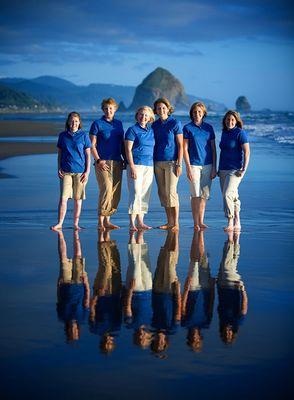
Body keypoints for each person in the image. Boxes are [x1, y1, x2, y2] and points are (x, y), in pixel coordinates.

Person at [51, 112, 91, 231]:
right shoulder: (62, 136)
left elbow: (88, 155)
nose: (74, 123)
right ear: (68, 122)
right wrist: (58, 168)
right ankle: (59, 223)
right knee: (63, 198)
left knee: (78, 199)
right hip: (65, 171)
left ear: (79, 123)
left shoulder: (84, 135)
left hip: (80, 172)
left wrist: (87, 172)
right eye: (72, 121)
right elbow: (60, 154)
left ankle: (75, 224)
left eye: (76, 121)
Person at [89, 98, 124, 231]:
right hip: (102, 162)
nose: (108, 111)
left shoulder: (119, 124)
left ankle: (108, 221)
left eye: (111, 108)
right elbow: (92, 145)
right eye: (106, 108)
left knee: (115, 192)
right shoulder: (97, 124)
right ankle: (100, 221)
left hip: (117, 161)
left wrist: (125, 159)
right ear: (103, 110)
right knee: (106, 189)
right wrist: (98, 160)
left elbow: (122, 144)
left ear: (115, 109)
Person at [183, 102, 217, 231]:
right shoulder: (187, 128)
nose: (197, 114)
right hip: (193, 165)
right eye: (195, 112)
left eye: (199, 112)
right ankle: (195, 222)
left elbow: (213, 149)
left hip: (208, 165)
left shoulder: (209, 128)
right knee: (195, 194)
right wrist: (187, 167)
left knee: (204, 195)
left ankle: (201, 221)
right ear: (191, 113)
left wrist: (214, 167)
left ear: (203, 113)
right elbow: (185, 149)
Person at [152, 97, 183, 232]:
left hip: (172, 162)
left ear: (168, 108)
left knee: (171, 192)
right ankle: (169, 222)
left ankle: (175, 223)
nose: (161, 110)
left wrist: (179, 163)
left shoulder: (175, 123)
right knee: (163, 193)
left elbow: (181, 145)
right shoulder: (154, 125)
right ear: (156, 110)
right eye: (159, 108)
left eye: (163, 107)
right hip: (157, 162)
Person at [218, 110, 250, 231]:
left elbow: (247, 152)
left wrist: (244, 169)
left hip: (235, 170)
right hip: (223, 169)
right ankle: (238, 220)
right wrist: (218, 169)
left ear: (236, 121)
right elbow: (223, 151)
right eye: (227, 119)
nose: (229, 122)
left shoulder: (240, 133)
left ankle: (230, 221)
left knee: (227, 195)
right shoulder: (224, 133)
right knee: (233, 196)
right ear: (224, 121)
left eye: (232, 120)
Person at [125, 106, 155, 231]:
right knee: (136, 192)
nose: (143, 117)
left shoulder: (151, 131)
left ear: (150, 118)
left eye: (146, 115)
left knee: (144, 194)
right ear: (137, 116)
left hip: (149, 165)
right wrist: (131, 166)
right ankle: (132, 223)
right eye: (141, 115)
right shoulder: (132, 130)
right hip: (136, 165)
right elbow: (128, 149)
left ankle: (141, 222)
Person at [56, 230, 90, 342]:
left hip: (65, 284)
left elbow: (59, 300)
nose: (73, 330)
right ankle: (76, 235)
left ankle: (60, 235)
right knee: (78, 256)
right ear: (78, 330)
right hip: (79, 284)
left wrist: (58, 284)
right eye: (75, 333)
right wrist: (86, 283)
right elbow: (86, 301)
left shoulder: (62, 317)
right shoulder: (82, 318)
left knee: (63, 258)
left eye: (71, 333)